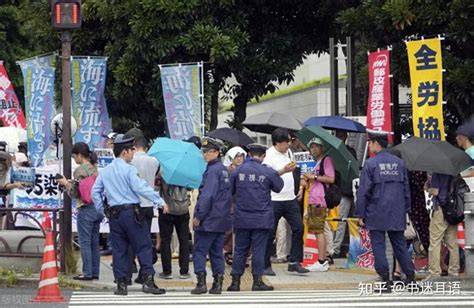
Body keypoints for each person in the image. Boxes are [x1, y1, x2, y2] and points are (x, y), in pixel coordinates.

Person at [91, 134, 169, 296]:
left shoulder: (105, 171)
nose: (133, 153)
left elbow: (95, 192)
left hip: (114, 214)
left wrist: (102, 210)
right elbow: (141, 188)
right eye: (131, 150)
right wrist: (159, 201)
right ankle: (148, 281)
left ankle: (121, 284)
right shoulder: (129, 170)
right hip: (131, 213)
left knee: (119, 249)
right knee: (143, 246)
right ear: (125, 152)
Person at [355, 130, 415, 291]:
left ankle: (385, 279)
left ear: (375, 143)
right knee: (400, 244)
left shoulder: (370, 164)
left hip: (376, 210)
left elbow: (364, 191)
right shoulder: (399, 163)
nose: (369, 146)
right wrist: (406, 208)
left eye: (370, 143)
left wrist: (360, 213)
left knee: (379, 245)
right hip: (397, 210)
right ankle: (410, 278)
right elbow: (406, 190)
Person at [227, 143, 284, 292]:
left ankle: (235, 282)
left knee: (240, 250)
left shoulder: (237, 171)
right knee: (258, 250)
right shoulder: (267, 171)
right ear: (263, 156)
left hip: (241, 217)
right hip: (261, 218)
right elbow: (279, 187)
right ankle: (257, 282)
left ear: (249, 154)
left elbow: (229, 192)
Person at [263, 128, 309, 275]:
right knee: (270, 232)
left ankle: (294, 261)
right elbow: (267, 177)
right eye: (285, 142)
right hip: (274, 199)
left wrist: (300, 187)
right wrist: (283, 170)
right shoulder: (269, 156)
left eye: (289, 141)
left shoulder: (289, 152)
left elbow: (296, 172)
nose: (288, 144)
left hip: (290, 198)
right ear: (277, 143)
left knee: (298, 228)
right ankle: (265, 264)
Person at [191, 137, 232, 295]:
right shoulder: (223, 169)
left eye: (209, 152)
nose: (205, 155)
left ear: (216, 152)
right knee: (216, 251)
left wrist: (199, 216)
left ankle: (201, 283)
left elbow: (207, 196)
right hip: (221, 218)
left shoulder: (213, 170)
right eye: (204, 151)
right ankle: (218, 282)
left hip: (209, 218)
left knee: (200, 251)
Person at [57, 142, 103, 281]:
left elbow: (76, 193)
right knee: (94, 242)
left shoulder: (79, 170)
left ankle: (87, 273)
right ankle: (95, 272)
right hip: (97, 208)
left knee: (84, 242)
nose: (74, 159)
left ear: (79, 155)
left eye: (74, 156)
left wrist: (65, 183)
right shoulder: (95, 168)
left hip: (86, 208)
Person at [125, 129, 160, 284]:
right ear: (146, 146)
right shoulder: (154, 161)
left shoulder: (130, 161)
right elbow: (158, 176)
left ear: (134, 146)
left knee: (131, 238)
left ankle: (130, 267)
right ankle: (144, 271)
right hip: (149, 205)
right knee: (145, 238)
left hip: (134, 204)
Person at [303, 137, 336, 272]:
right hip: (313, 199)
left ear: (322, 148)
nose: (314, 149)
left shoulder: (326, 160)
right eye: (312, 147)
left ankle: (322, 261)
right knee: (317, 231)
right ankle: (321, 260)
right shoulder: (317, 162)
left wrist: (314, 177)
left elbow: (331, 178)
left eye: (317, 146)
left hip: (319, 200)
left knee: (319, 231)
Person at [425, 172, 459, 281]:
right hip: (453, 210)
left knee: (435, 241)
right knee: (452, 243)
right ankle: (454, 271)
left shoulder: (437, 172)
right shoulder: (455, 172)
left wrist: (427, 188)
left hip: (440, 209)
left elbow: (435, 191)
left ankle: (434, 273)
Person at [158, 179, 191, 279]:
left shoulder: (164, 174)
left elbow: (156, 189)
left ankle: (167, 272)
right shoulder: (185, 173)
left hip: (167, 210)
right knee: (184, 240)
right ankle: (184, 271)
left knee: (165, 241)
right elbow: (190, 187)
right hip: (183, 210)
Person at [333, 130, 357, 258]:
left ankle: (353, 249)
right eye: (339, 136)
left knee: (352, 221)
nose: (341, 138)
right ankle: (336, 249)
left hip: (350, 190)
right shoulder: (333, 152)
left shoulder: (350, 151)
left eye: (343, 136)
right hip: (340, 192)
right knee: (340, 221)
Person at [222, 146, 247, 265]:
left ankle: (241, 255)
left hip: (243, 203)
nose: (239, 159)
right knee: (228, 229)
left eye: (241, 156)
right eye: (236, 156)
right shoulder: (226, 171)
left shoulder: (247, 170)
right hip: (229, 203)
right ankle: (226, 251)